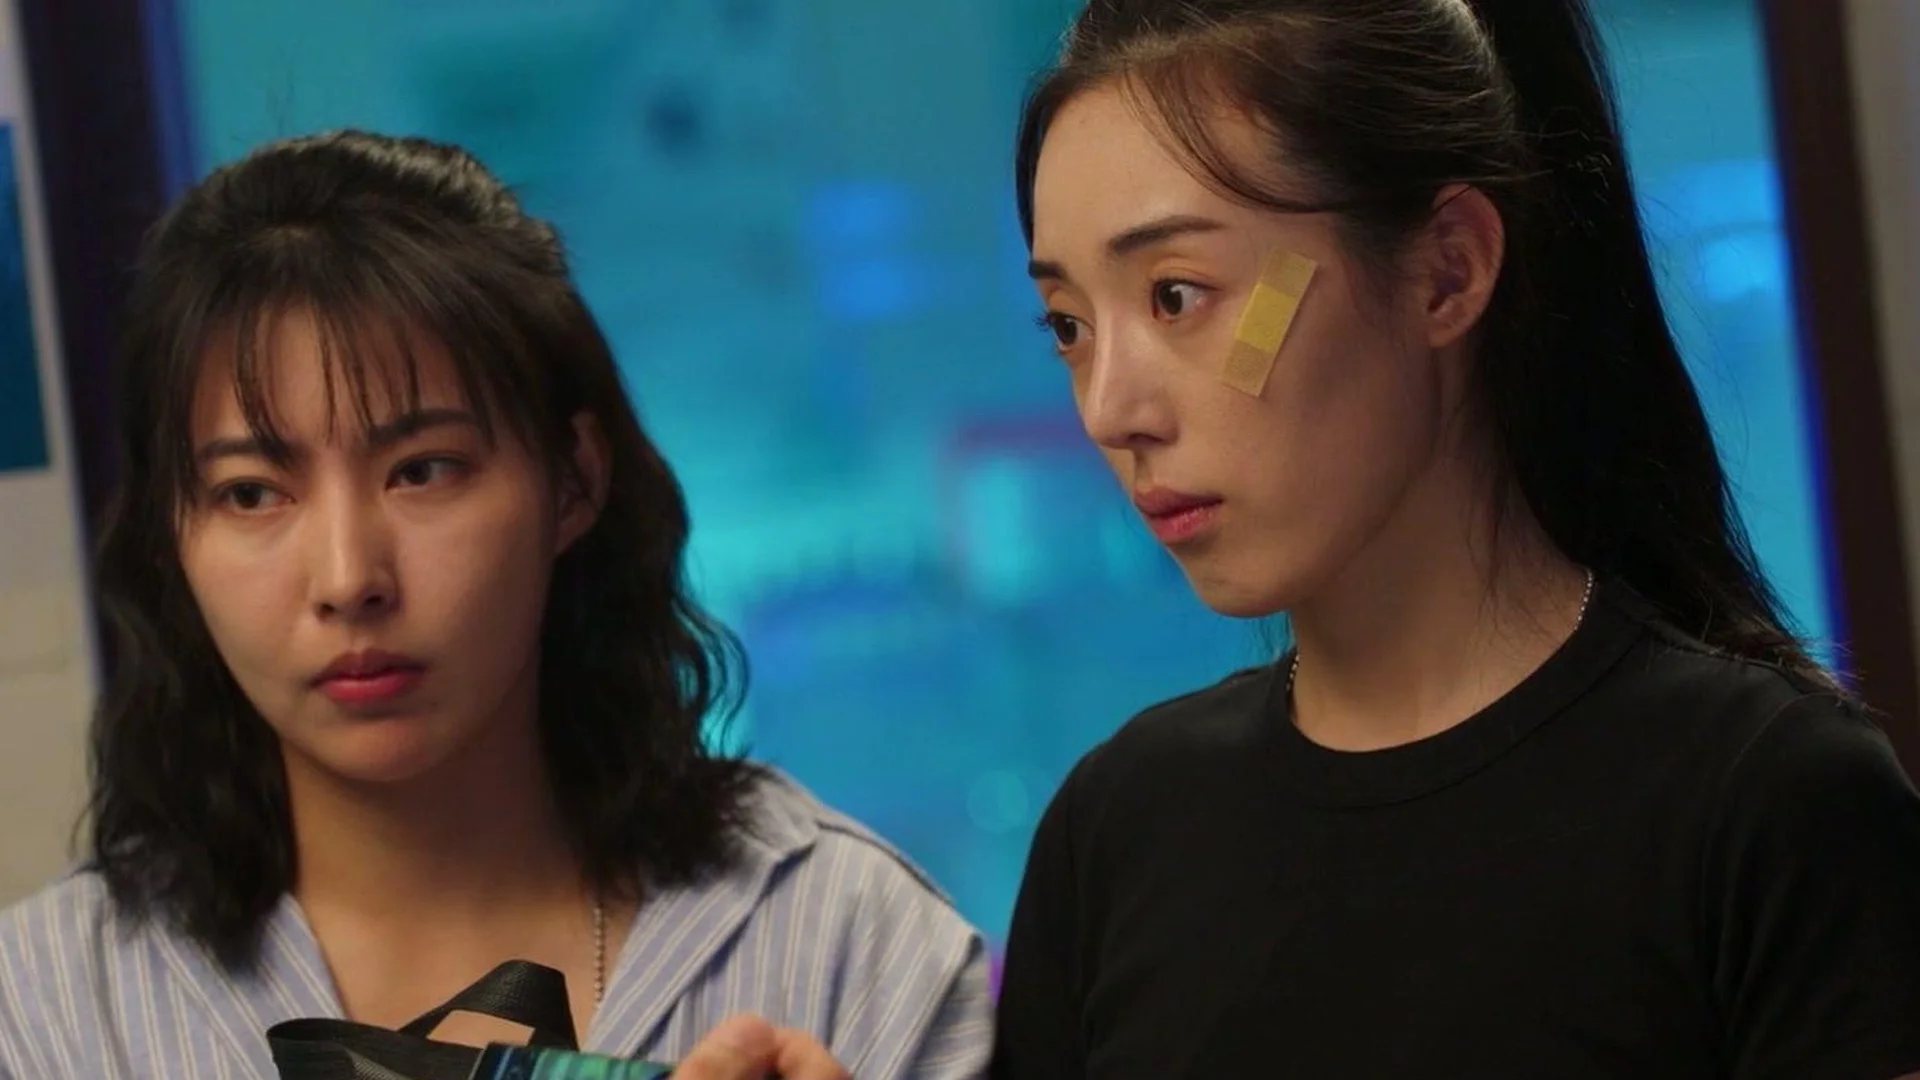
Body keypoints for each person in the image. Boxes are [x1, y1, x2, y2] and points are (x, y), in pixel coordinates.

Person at [984, 0, 1920, 1076]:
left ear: (1447, 270)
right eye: (1069, 325)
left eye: (1177, 296)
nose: (1110, 409)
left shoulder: (1771, 803)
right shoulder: (1116, 831)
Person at [0, 131, 989, 1080]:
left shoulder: (852, 948)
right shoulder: (46, 1011)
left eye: (423, 470)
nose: (348, 578)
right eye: (252, 492)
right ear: (172, 536)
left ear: (574, 480)